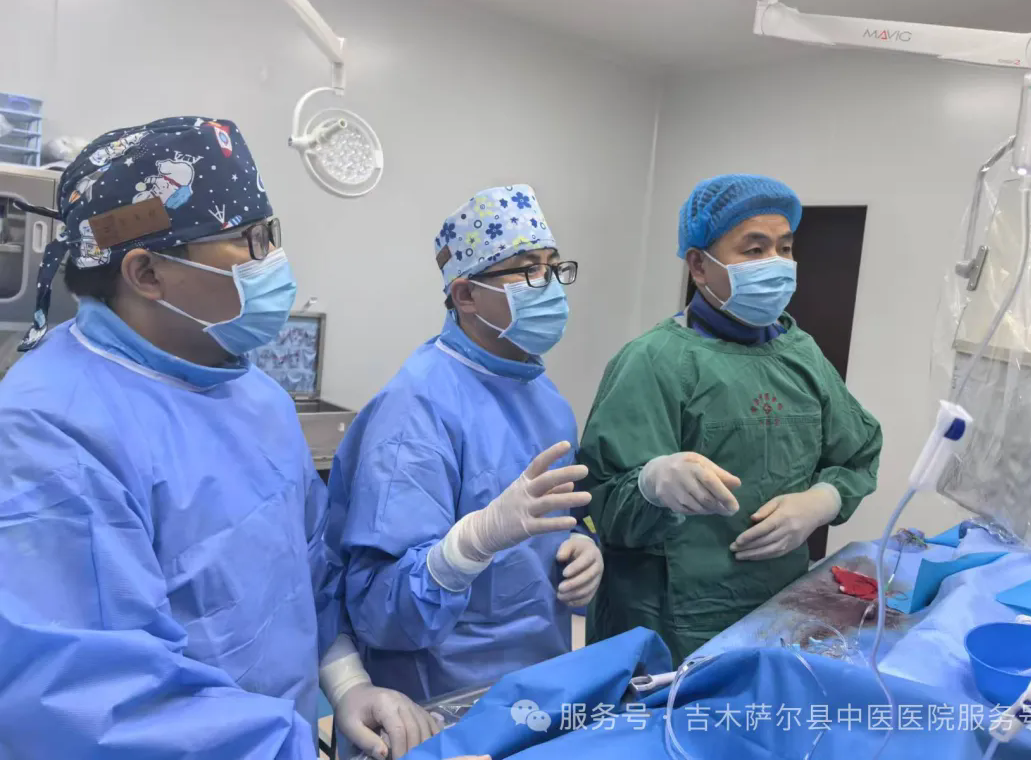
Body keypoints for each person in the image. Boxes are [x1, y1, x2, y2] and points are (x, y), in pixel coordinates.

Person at [0, 117, 441, 760]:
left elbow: (304, 575)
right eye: (246, 241)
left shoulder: (254, 394)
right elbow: (93, 703)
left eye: (271, 233)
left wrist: (347, 683)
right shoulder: (50, 432)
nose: (273, 261)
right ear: (147, 272)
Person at [578, 174, 882, 664]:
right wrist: (650, 485)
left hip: (778, 608)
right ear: (699, 265)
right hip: (669, 626)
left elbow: (858, 452)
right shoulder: (653, 361)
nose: (776, 263)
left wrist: (823, 500)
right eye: (754, 249)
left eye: (785, 248)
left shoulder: (800, 353)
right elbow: (600, 504)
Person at [328, 185, 603, 702]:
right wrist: (470, 544)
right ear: (465, 295)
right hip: (439, 696)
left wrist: (584, 547)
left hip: (537, 680)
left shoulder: (543, 395)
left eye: (553, 266)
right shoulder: (416, 409)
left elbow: (557, 520)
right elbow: (382, 613)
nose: (548, 285)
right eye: (527, 270)